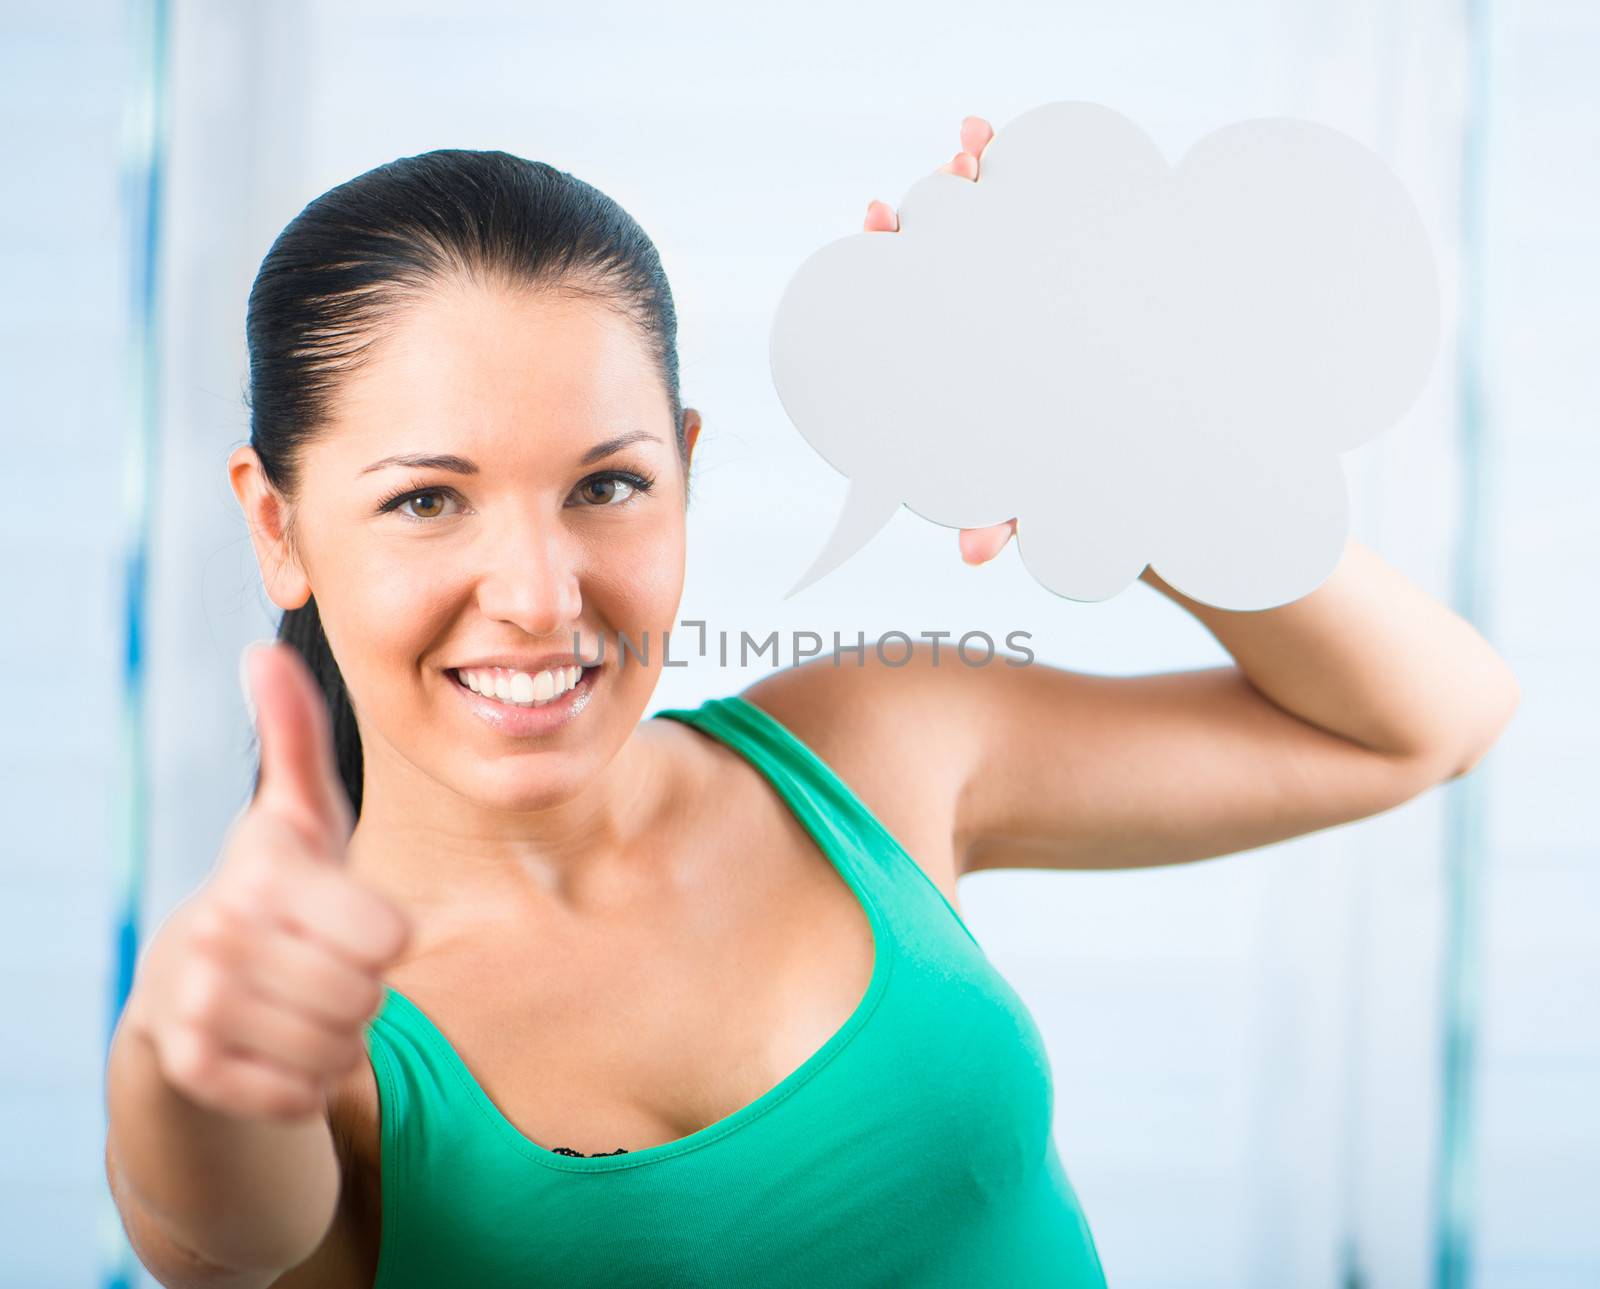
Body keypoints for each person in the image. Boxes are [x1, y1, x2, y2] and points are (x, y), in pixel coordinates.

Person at [102, 116, 1520, 1288]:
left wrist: (1124, 427)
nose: (539, 593)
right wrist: (193, 1058)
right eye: (425, 499)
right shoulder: (305, 1031)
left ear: (687, 468)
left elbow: (1423, 720)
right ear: (277, 526)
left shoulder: (868, 749)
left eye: (608, 484)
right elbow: (218, 1228)